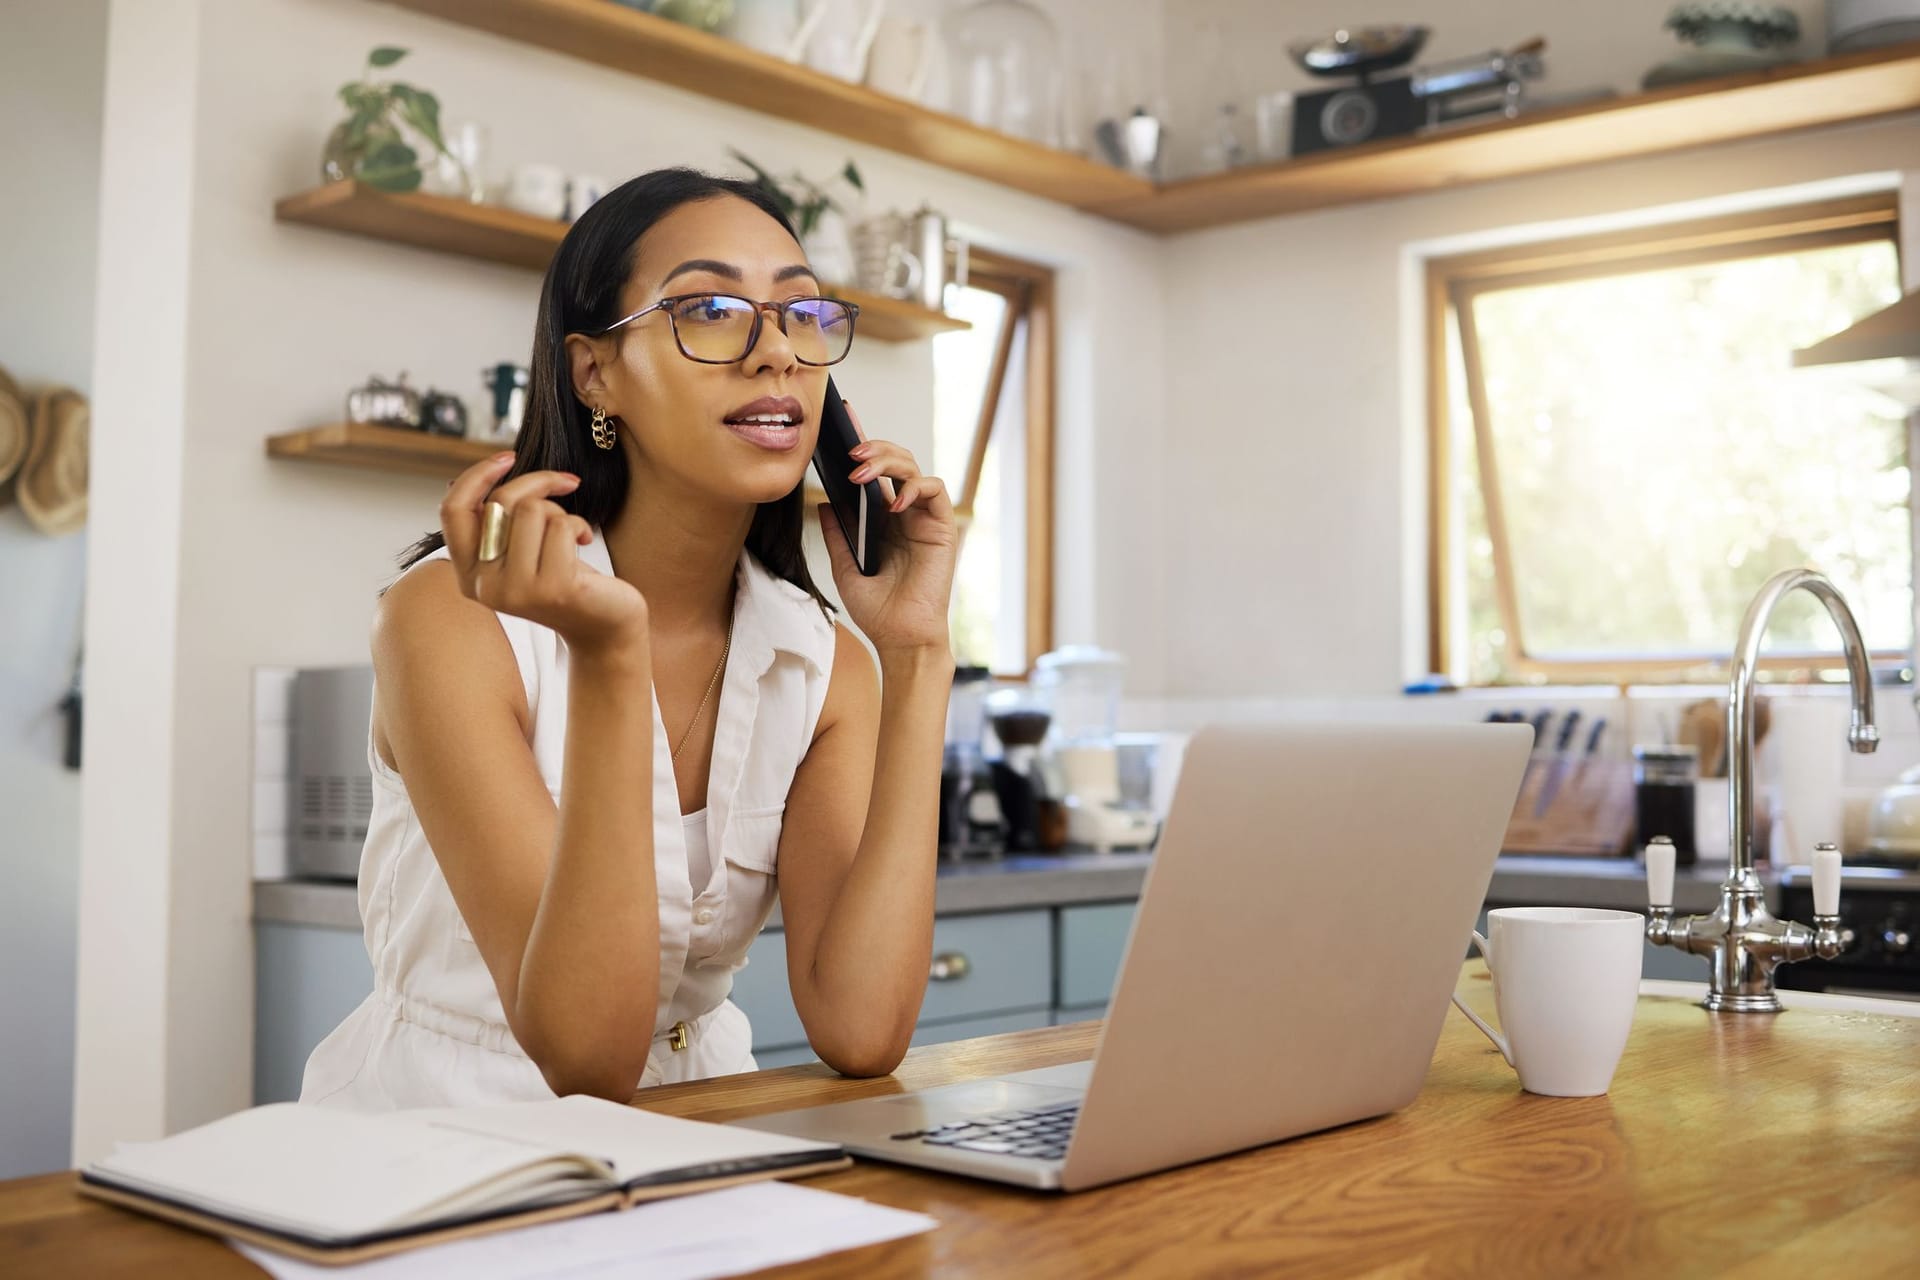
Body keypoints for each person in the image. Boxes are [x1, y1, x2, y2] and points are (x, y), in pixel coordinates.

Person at [300, 168, 959, 1110]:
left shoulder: (824, 663)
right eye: (712, 310)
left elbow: (861, 1029)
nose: (776, 353)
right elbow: (587, 1059)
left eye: (803, 315)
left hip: (704, 1123)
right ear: (594, 370)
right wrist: (611, 656)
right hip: (448, 1135)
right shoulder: (449, 620)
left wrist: (918, 652)